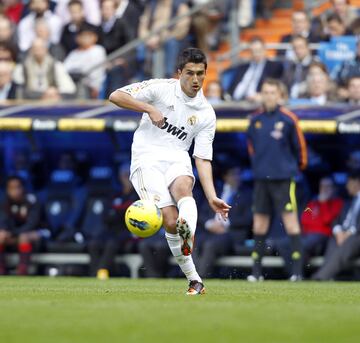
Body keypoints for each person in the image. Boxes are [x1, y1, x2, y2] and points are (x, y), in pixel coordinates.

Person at [109, 47, 231, 295]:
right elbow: (115, 96)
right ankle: (194, 278)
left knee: (184, 187)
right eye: (190, 73)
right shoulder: (160, 88)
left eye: (200, 74)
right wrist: (148, 108)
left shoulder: (206, 113)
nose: (195, 80)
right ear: (179, 73)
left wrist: (211, 196)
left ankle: (190, 227)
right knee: (170, 219)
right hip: (146, 158)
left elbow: (202, 158)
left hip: (177, 155)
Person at [246, 78, 308, 282]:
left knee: (291, 223)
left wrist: (291, 170)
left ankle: (297, 272)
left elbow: (301, 150)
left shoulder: (289, 119)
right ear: (261, 94)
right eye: (265, 92)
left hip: (283, 179)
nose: (269, 96)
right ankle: (256, 273)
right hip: (261, 179)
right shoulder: (255, 120)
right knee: (260, 224)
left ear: (280, 95)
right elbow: (252, 148)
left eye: (273, 92)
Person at [312, 170, 360, 281]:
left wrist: (350, 232)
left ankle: (321, 276)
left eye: (348, 182)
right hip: (345, 235)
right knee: (333, 240)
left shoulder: (344, 201)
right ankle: (328, 274)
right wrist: (338, 231)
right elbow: (337, 221)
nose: (347, 186)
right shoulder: (349, 202)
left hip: (357, 236)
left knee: (351, 241)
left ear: (357, 182)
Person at [0, 176, 45, 275]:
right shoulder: (4, 201)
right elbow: (3, 221)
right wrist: (10, 233)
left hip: (40, 232)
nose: (15, 191)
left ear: (23, 188)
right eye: (11, 188)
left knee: (24, 236)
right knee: (1, 235)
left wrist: (15, 233)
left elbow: (33, 223)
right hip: (14, 234)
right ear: (7, 190)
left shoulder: (32, 200)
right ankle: (1, 270)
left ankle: (22, 270)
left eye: (18, 187)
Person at [227, 37, 283, 103]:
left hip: (257, 104)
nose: (256, 53)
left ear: (264, 50)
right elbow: (231, 88)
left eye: (258, 50)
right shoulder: (242, 67)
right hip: (234, 103)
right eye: (253, 51)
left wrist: (263, 96)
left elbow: (276, 88)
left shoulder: (274, 67)